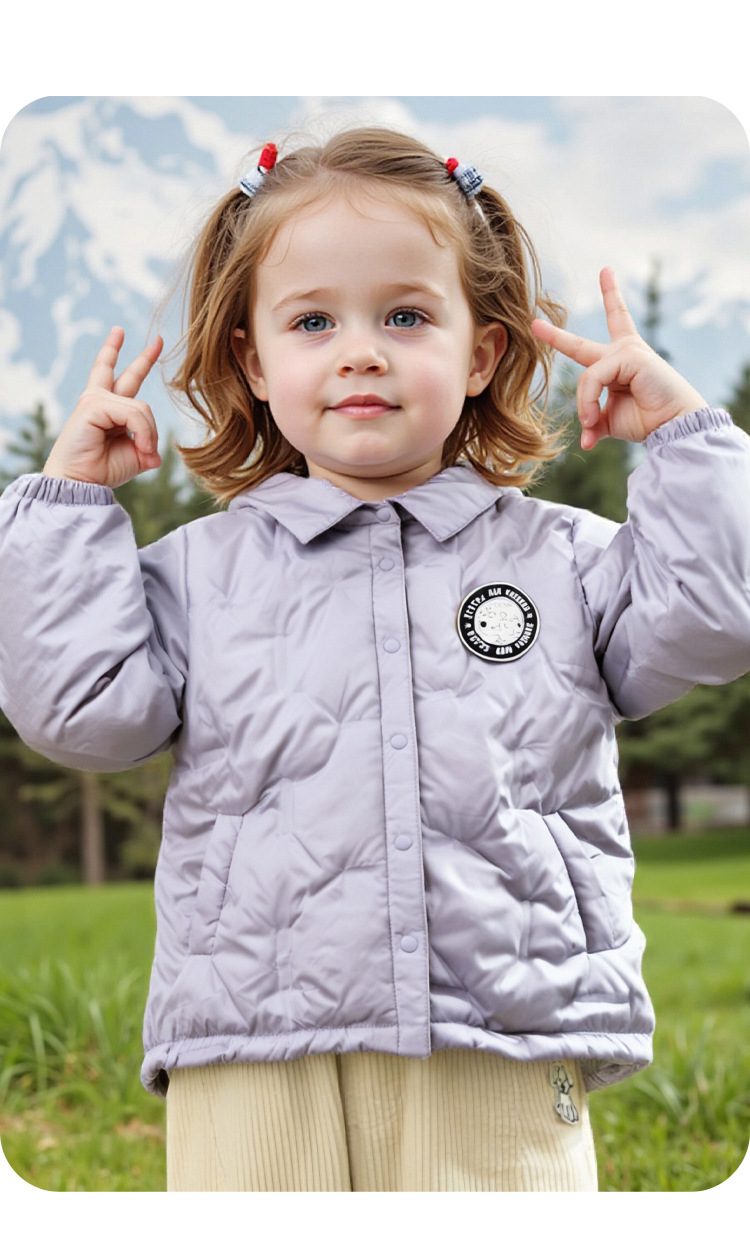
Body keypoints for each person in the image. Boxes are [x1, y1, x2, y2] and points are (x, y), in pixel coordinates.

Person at [1, 126, 749, 1194]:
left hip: (502, 1028)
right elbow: (82, 714)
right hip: (252, 1044)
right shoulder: (198, 574)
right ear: (255, 363)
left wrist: (684, 436)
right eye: (313, 321)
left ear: (482, 352)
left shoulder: (563, 559)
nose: (361, 351)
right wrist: (67, 506)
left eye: (406, 315)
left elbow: (717, 620)